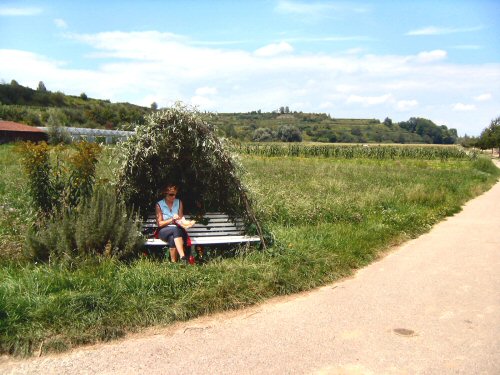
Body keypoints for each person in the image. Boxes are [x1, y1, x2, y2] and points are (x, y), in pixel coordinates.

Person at [156, 183, 188, 262]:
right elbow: (160, 224)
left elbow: (181, 218)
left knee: (172, 237)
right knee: (175, 230)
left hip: (177, 230)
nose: (173, 197)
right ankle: (183, 256)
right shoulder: (159, 204)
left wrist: (185, 222)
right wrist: (172, 220)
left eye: (175, 195)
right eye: (171, 194)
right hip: (164, 230)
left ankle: (174, 263)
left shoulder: (179, 202)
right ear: (165, 193)